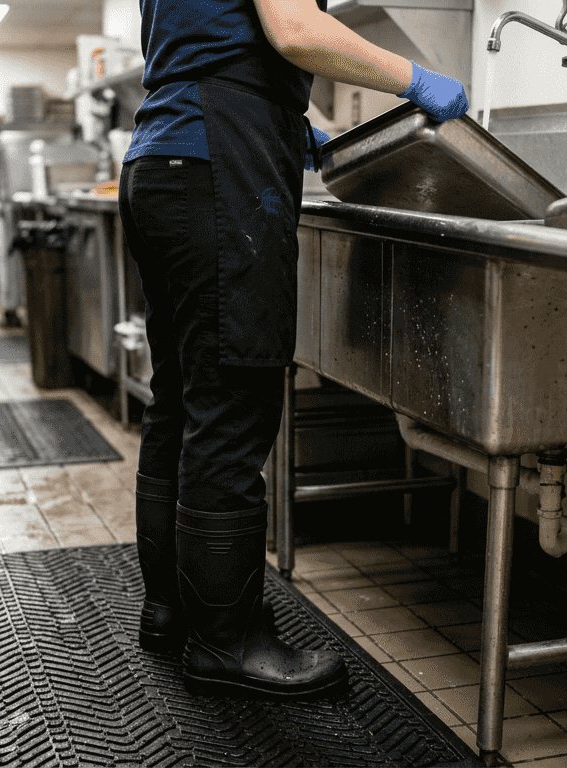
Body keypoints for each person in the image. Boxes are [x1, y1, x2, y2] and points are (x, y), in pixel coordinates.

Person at [120, 0, 468, 698]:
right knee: (232, 402)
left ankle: (175, 609)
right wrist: (415, 79)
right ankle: (227, 643)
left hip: (166, 155)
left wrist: (278, 115)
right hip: (218, 157)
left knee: (181, 398)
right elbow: (295, 29)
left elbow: (214, 41)